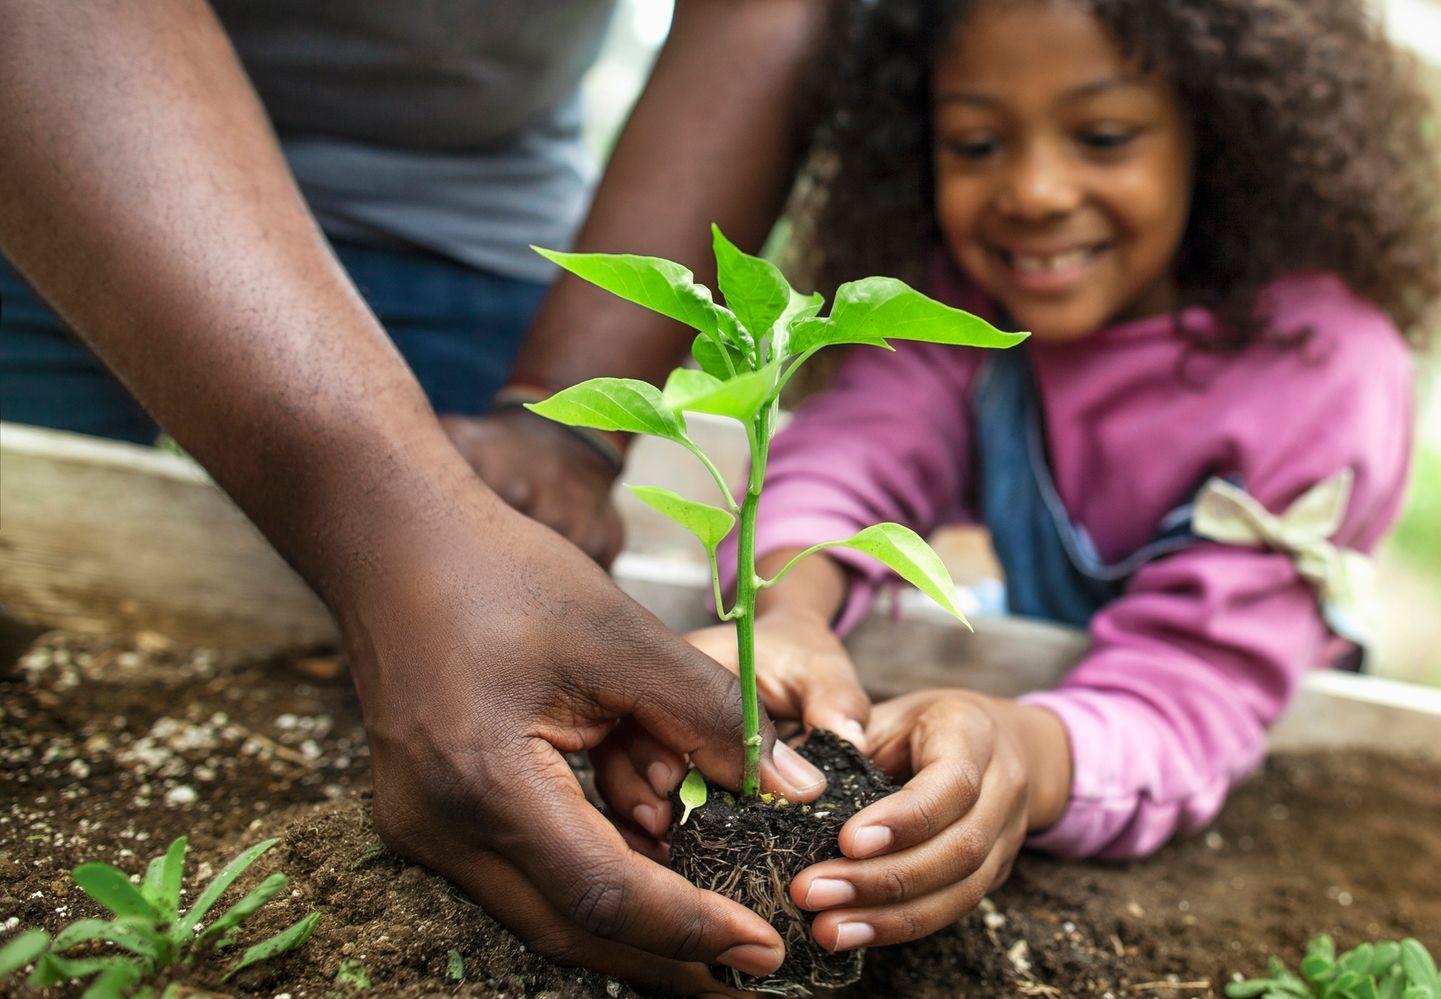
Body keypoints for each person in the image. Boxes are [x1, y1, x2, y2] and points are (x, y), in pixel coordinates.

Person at [0, 1, 869, 993]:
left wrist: (569, 434)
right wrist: (392, 522)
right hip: (54, 143)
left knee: (494, 639)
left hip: (464, 225)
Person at [593, 0, 1441, 956]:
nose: (1036, 191)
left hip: (1226, 719)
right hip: (1053, 674)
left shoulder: (1320, 371)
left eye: (1103, 134)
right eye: (975, 142)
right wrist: (787, 612)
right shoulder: (969, 308)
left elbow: (1192, 687)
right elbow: (852, 459)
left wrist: (1024, 754)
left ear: (1218, 133)